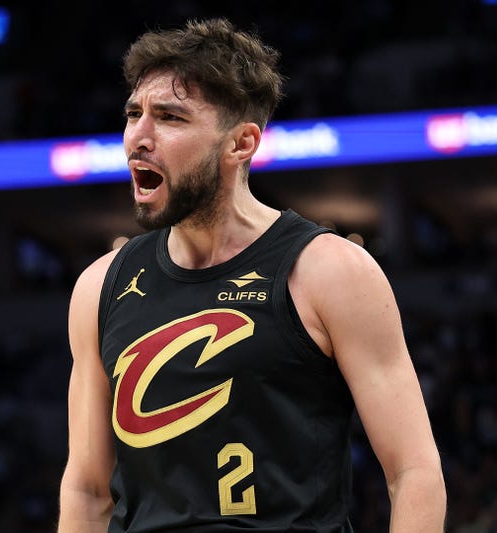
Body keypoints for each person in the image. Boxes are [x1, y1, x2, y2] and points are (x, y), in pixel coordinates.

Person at [58, 17, 446, 532]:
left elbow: (414, 471)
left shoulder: (328, 270)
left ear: (241, 144)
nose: (139, 137)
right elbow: (86, 491)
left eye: (170, 118)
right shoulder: (100, 286)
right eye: (134, 114)